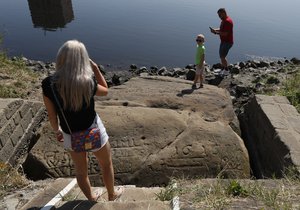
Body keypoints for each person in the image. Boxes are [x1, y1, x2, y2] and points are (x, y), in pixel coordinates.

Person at [41, 40, 123, 202]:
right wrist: (96, 69)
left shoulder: (48, 84)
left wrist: (57, 130)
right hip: (93, 130)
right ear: (82, 60)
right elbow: (105, 91)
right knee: (106, 164)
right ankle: (112, 195)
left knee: (80, 171)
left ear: (60, 58)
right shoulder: (88, 81)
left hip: (70, 134)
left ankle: (92, 199)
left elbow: (52, 115)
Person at [210, 8, 234, 76]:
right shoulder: (224, 20)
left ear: (224, 13)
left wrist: (216, 33)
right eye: (218, 15)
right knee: (221, 56)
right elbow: (221, 29)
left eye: (220, 15)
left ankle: (226, 71)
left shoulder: (228, 21)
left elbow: (225, 33)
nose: (219, 16)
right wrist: (215, 30)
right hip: (224, 41)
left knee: (223, 57)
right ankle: (223, 69)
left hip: (227, 42)